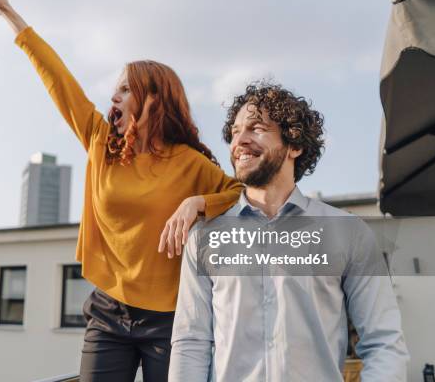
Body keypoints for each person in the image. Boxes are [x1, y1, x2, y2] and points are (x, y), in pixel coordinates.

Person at [0, 0, 242, 381]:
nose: (113, 97)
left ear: (152, 98)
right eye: (114, 89)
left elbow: (239, 195)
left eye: (124, 89)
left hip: (170, 320)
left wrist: (197, 203)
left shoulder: (190, 164)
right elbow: (58, 79)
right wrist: (8, 13)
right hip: (108, 312)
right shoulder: (102, 144)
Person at [169, 82, 409, 381]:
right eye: (234, 133)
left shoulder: (349, 234)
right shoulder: (203, 239)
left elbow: (384, 341)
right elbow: (191, 342)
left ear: (294, 145)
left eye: (255, 128)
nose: (239, 141)